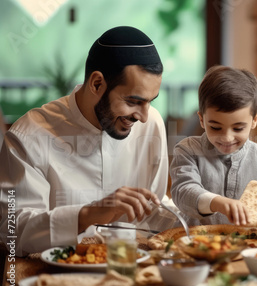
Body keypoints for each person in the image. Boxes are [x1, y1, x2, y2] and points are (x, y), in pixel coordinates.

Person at [0, 26, 174, 256]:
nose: (143, 116)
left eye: (150, 101)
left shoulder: (152, 123)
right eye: (133, 101)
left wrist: (207, 211)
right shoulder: (28, 136)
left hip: (132, 272)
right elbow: (13, 233)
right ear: (96, 84)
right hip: (55, 280)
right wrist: (87, 215)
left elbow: (153, 207)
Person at [170, 65, 257, 226]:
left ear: (255, 119)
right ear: (201, 119)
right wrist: (217, 202)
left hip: (250, 249)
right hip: (193, 246)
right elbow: (184, 192)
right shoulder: (187, 150)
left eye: (238, 128)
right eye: (215, 127)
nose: (227, 137)